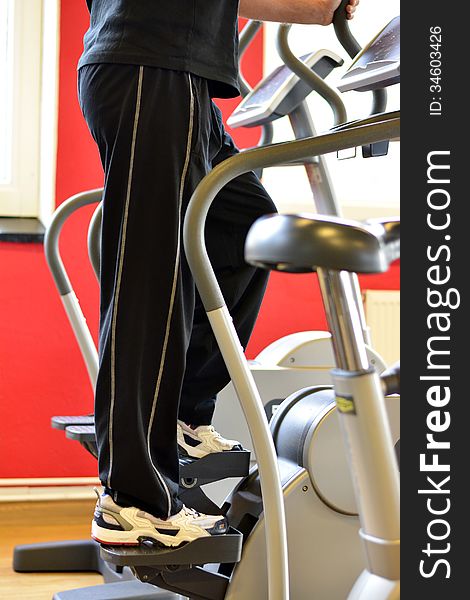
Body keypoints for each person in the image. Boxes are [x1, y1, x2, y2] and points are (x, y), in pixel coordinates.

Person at [78, 0, 359, 548]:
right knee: (150, 285)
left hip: (176, 72)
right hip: (153, 66)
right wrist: (314, 7)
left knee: (244, 228)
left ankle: (181, 413)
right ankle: (132, 500)